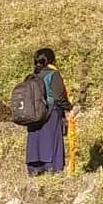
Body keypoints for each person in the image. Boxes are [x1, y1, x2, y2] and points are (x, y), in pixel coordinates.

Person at [25, 47, 71, 176]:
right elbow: (58, 97)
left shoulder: (31, 76)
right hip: (51, 113)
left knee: (35, 140)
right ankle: (53, 168)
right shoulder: (53, 74)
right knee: (52, 141)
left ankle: (34, 169)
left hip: (33, 115)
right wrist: (70, 108)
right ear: (52, 60)